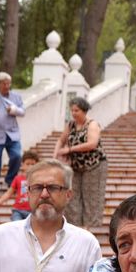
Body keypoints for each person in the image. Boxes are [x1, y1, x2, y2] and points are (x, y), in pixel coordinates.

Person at [56, 96, 108, 228]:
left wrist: (69, 149)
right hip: (75, 166)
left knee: (91, 196)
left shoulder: (92, 124)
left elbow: (92, 144)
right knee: (72, 196)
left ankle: (88, 228)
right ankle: (75, 227)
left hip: (94, 165)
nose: (73, 113)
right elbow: (61, 140)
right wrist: (55, 155)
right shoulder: (70, 125)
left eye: (76, 110)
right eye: (72, 110)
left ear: (84, 111)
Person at [0, 149, 40, 221]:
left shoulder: (39, 179)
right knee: (16, 227)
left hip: (33, 211)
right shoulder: (18, 178)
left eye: (33, 164)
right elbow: (8, 193)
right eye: (27, 164)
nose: (30, 166)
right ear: (22, 164)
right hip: (18, 211)